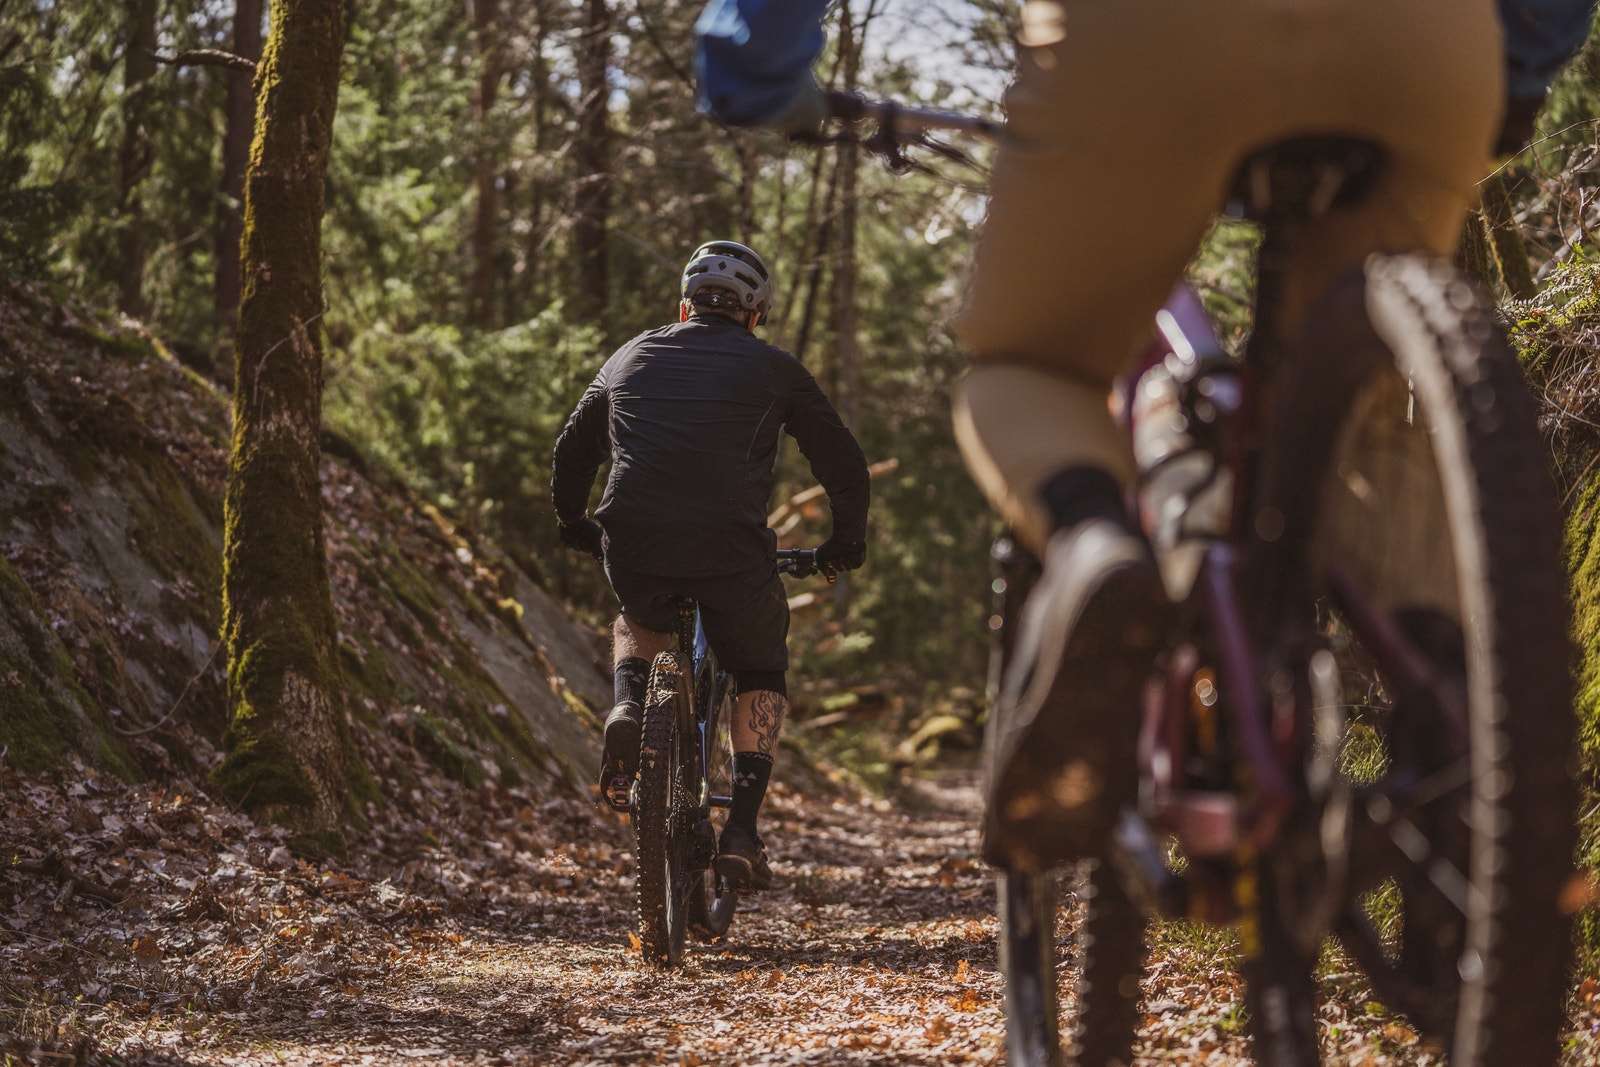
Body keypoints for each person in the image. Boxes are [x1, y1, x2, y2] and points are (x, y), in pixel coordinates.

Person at [693, 0, 1593, 872]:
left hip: (1148, 39)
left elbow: (757, 51)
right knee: (1373, 418)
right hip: (1424, 42)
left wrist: (754, 72)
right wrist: (1517, 68)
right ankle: (1452, 758)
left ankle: (1096, 547)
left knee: (1030, 365)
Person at [551, 239, 871, 889]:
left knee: (637, 614)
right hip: (730, 552)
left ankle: (628, 703)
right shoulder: (774, 368)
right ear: (755, 317)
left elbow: (571, 451)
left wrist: (574, 523)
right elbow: (843, 462)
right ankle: (742, 830)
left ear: (684, 306)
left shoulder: (630, 354)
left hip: (634, 544)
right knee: (758, 665)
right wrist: (845, 543)